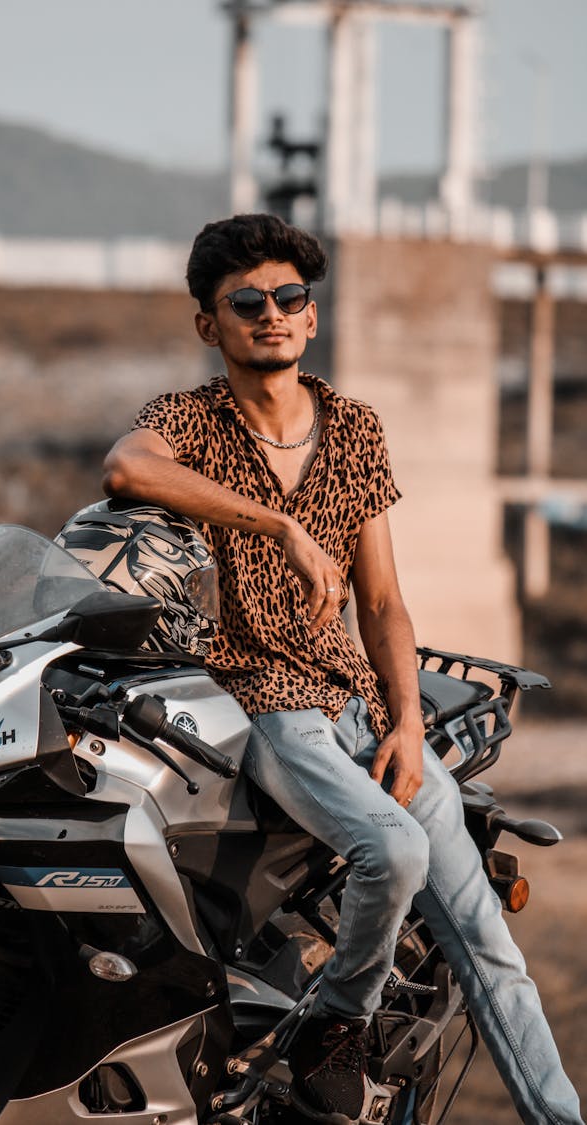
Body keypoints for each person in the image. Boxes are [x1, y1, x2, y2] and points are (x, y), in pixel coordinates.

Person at [102, 213, 582, 1125]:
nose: (271, 314)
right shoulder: (190, 421)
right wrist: (275, 522)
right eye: (247, 302)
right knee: (392, 849)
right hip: (265, 701)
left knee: (488, 944)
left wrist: (406, 720)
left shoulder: (356, 429)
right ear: (212, 325)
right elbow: (126, 468)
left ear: (312, 318)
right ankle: (338, 1020)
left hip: (361, 702)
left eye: (290, 298)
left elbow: (386, 603)